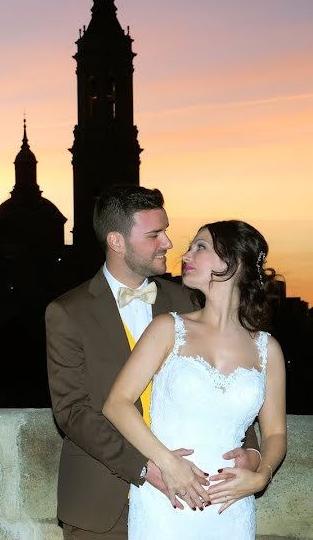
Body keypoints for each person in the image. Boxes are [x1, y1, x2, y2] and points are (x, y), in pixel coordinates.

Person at [46, 185, 260, 539]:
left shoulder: (187, 300)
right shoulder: (68, 312)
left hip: (191, 503)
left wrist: (250, 449)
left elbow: (227, 376)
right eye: (155, 235)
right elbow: (72, 411)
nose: (169, 244)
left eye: (166, 231)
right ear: (117, 242)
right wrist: (148, 468)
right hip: (101, 501)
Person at [103, 220, 286, 539]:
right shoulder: (167, 328)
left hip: (231, 509)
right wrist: (165, 463)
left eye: (200, 246)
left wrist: (262, 476)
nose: (184, 253)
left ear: (234, 262)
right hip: (166, 502)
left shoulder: (267, 348)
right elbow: (117, 405)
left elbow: (275, 432)